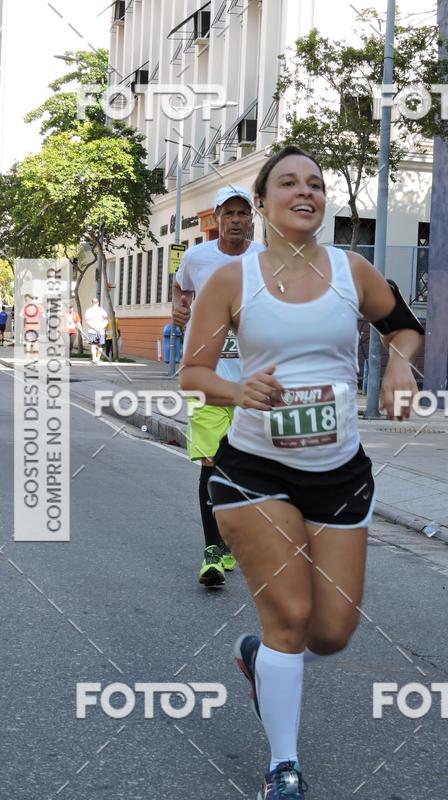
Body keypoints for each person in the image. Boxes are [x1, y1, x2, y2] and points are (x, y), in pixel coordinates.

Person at [180, 145, 424, 799]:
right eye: (287, 182)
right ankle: (282, 768)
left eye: (314, 183)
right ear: (262, 203)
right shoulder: (233, 281)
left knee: (332, 632)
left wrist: (400, 362)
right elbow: (194, 373)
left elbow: (403, 326)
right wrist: (240, 393)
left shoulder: (353, 270)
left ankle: (264, 663)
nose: (304, 191)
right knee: (288, 616)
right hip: (254, 468)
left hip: (339, 472)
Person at [173, 186, 265, 588]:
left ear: (252, 219)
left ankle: (232, 539)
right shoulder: (196, 257)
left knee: (248, 471)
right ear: (217, 219)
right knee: (212, 464)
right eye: (229, 214)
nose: (236, 220)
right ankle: (213, 551)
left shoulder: (265, 258)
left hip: (254, 383)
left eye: (243, 213)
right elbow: (181, 289)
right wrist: (179, 307)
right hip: (208, 379)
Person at [84, 298, 108, 364]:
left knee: (93, 345)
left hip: (92, 330)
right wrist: (102, 327)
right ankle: (97, 358)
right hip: (101, 331)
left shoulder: (89, 311)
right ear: (98, 303)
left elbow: (87, 321)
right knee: (100, 345)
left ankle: (94, 359)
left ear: (91, 303)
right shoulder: (102, 310)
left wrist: (94, 327)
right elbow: (106, 320)